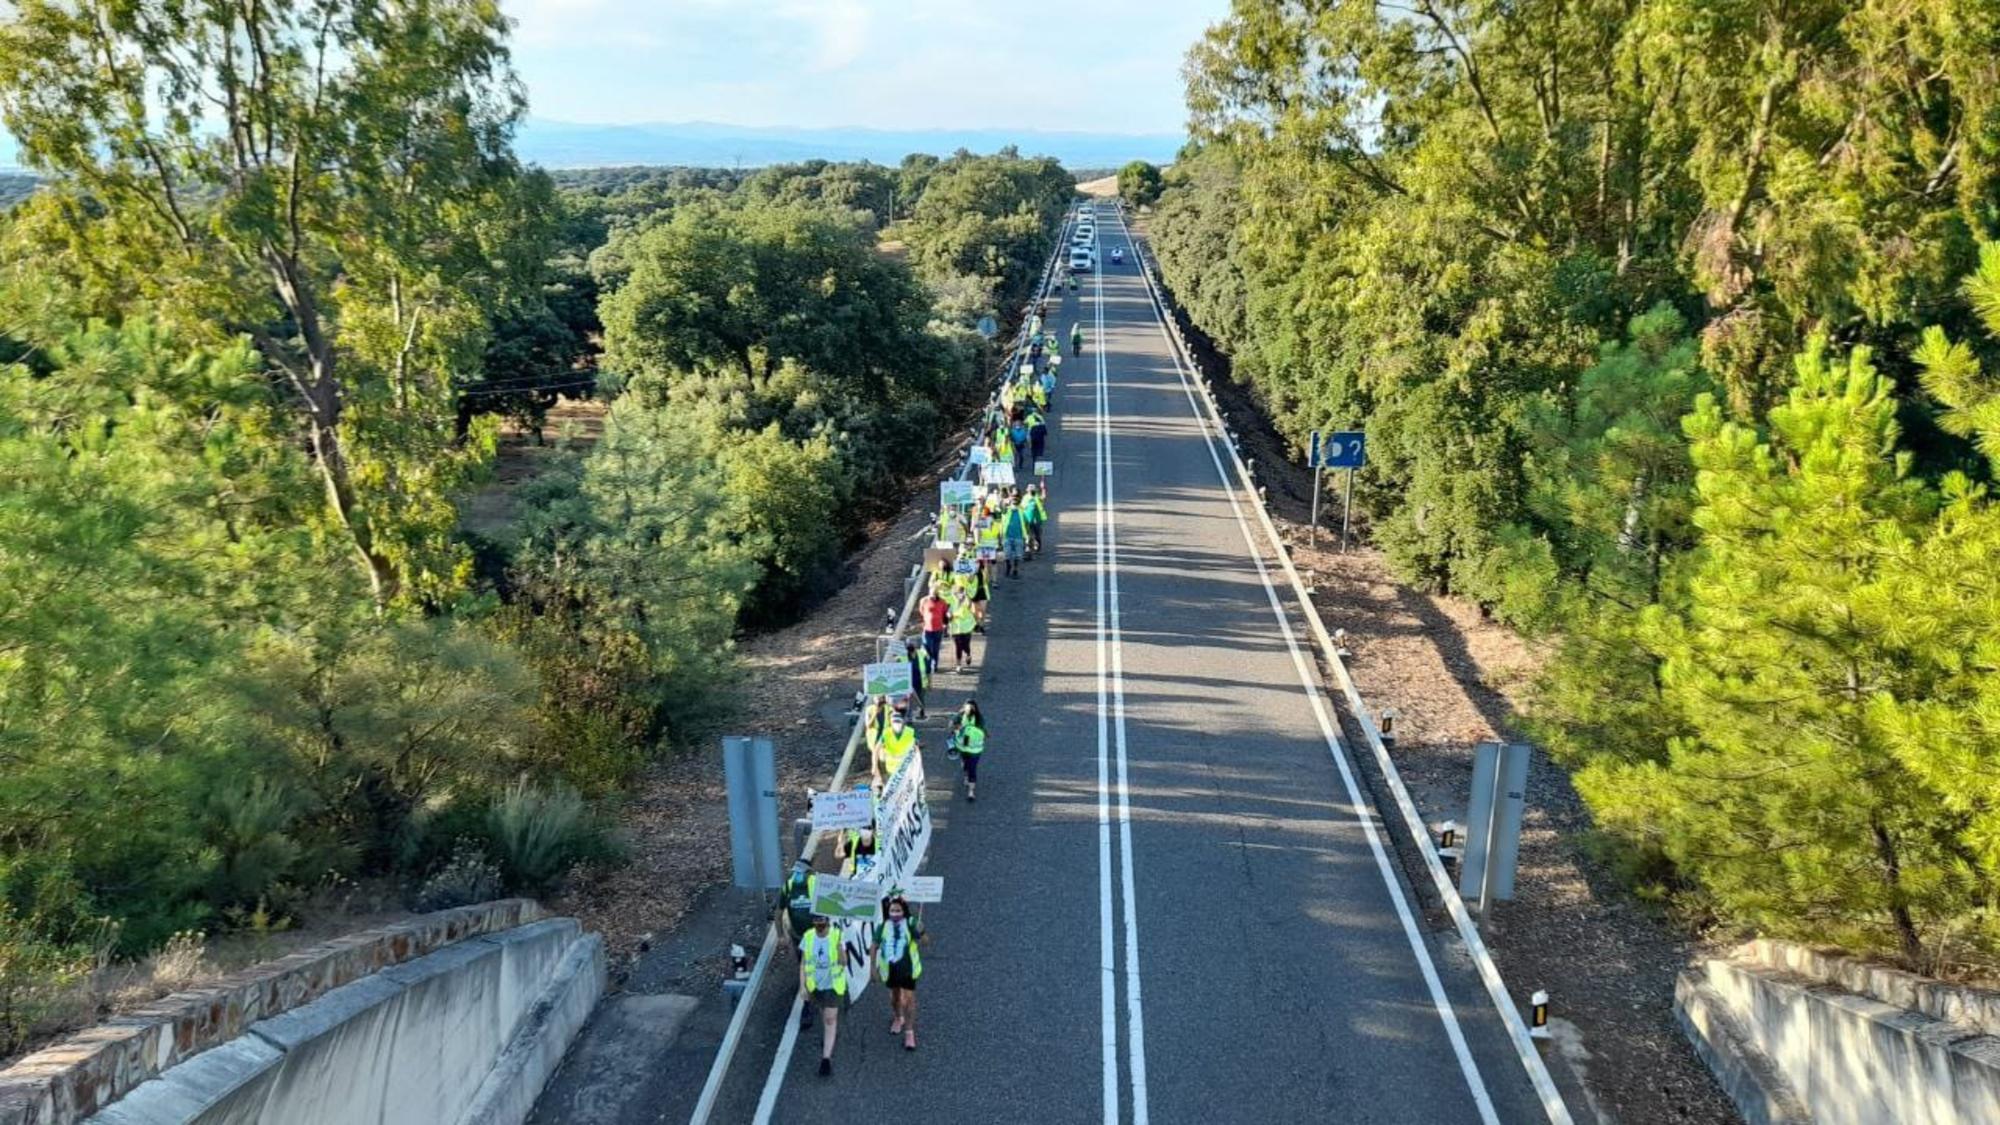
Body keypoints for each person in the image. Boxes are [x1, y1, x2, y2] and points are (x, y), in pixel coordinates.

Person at [874, 895, 925, 1051]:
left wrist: (921, 932)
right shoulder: (882, 927)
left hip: (907, 969)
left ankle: (909, 1032)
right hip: (890, 970)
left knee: (909, 999)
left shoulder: (910, 924)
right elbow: (874, 946)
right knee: (895, 998)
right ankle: (898, 1017)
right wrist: (871, 969)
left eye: (898, 910)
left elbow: (926, 941)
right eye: (892, 910)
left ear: (904, 911)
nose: (895, 913)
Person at [800, 914, 847, 1076]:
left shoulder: (836, 935)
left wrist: (839, 947)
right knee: (824, 1014)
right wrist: (802, 986)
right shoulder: (808, 936)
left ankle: (826, 1059)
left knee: (829, 1018)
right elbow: (804, 963)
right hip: (816, 986)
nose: (819, 924)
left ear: (828, 921)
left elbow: (843, 962)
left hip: (833, 986)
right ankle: (830, 1037)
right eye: (816, 921)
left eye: (822, 921)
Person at [776, 860, 817, 1029]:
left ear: (808, 873)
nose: (797, 875)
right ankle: (808, 1002)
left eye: (801, 872)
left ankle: (809, 1004)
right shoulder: (788, 887)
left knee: (811, 966)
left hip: (817, 936)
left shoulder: (816, 885)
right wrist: (781, 936)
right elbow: (778, 914)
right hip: (798, 936)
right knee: (805, 967)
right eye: (796, 872)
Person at [952, 700, 987, 801]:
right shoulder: (965, 716)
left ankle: (971, 792)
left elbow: (952, 725)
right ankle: (967, 775)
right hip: (969, 748)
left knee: (972, 768)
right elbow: (952, 724)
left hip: (970, 749)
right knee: (967, 765)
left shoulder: (977, 719)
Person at [876, 708, 918, 781]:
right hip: (891, 767)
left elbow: (917, 749)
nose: (897, 724)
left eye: (898, 721)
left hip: (905, 767)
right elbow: (877, 749)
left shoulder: (910, 732)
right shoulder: (886, 733)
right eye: (895, 721)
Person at [917, 593, 947, 680]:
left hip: (938, 629)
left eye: (935, 594)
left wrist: (946, 622)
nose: (933, 596)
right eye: (931, 594)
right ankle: (928, 665)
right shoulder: (924, 600)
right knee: (927, 648)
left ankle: (934, 665)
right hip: (927, 629)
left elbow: (945, 612)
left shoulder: (942, 601)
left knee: (936, 649)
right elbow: (921, 611)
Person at [947, 585, 977, 673]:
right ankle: (959, 665)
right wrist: (949, 615)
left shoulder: (967, 600)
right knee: (958, 646)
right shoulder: (952, 600)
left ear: (963, 593)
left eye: (960, 593)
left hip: (966, 627)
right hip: (956, 628)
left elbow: (971, 609)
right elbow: (948, 611)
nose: (958, 595)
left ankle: (968, 654)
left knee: (965, 645)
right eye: (956, 593)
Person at [1001, 494, 1028, 578]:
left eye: (1016, 499)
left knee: (1018, 555)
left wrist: (1027, 536)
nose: (1014, 500)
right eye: (1013, 499)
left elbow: (1026, 522)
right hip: (1007, 536)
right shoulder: (1007, 510)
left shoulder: (1022, 510)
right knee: (1007, 555)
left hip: (1019, 536)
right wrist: (1004, 502)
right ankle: (1008, 566)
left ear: (1018, 500)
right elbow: (1002, 509)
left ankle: (1015, 569)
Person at [903, 637, 932, 719]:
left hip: (921, 682)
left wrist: (930, 683)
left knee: (921, 699)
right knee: (909, 701)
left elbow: (928, 670)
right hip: (908, 683)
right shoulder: (903, 656)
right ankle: (909, 717)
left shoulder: (922, 655)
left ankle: (921, 712)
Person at [1024, 485, 1047, 555]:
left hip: (1037, 520)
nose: (1031, 491)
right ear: (1027, 491)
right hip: (1027, 520)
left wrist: (1043, 489)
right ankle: (1028, 548)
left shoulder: (1037, 497)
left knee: (1037, 535)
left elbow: (1043, 498)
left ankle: (1038, 548)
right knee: (1028, 535)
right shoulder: (1025, 498)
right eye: (1030, 490)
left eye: (1032, 490)